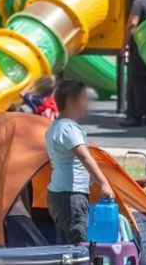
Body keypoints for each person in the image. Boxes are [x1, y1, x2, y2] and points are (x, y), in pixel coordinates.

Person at [46, 80, 115, 245]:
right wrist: (104, 183)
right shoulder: (68, 128)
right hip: (71, 195)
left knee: (65, 246)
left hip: (59, 194)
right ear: (71, 102)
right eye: (84, 99)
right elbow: (85, 156)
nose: (87, 104)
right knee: (78, 244)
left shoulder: (55, 127)